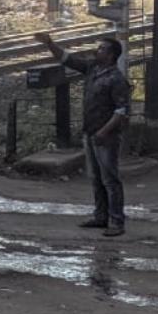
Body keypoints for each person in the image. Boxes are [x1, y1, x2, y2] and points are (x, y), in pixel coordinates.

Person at [34, 33, 131, 237]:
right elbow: (66, 59)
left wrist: (104, 132)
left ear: (112, 55)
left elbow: (122, 111)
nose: (97, 51)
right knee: (96, 178)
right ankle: (101, 216)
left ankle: (116, 220)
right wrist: (50, 43)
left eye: (102, 49)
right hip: (91, 132)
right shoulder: (92, 69)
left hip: (106, 136)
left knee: (110, 179)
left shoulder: (116, 79)